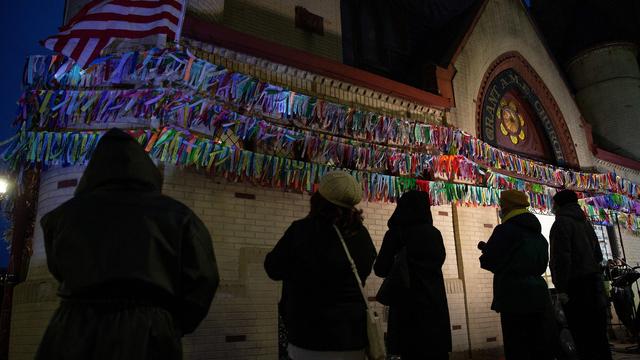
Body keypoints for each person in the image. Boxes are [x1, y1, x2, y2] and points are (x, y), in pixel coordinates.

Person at [36, 128, 219, 360]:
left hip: (74, 329)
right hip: (148, 332)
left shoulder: (61, 217)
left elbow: (59, 269)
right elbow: (203, 279)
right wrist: (173, 322)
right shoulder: (178, 216)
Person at [264, 171, 377, 360]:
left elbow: (273, 268)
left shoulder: (301, 231)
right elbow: (364, 271)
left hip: (307, 336)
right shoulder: (361, 235)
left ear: (319, 199)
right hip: (351, 339)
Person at [374, 190, 451, 360]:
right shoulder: (434, 234)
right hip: (434, 308)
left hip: (406, 310)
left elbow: (380, 269)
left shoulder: (396, 234)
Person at [478, 190, 554, 360]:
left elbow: (490, 261)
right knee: (539, 345)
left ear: (507, 207)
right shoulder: (538, 234)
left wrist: (487, 251)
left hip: (514, 295)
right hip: (539, 294)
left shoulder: (505, 230)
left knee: (518, 346)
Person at [550, 190, 612, 360]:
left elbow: (561, 258)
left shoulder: (561, 223)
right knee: (599, 337)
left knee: (582, 336)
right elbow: (598, 256)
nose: (552, 206)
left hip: (576, 287)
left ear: (560, 204)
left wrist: (561, 288)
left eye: (554, 203)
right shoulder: (585, 223)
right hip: (594, 284)